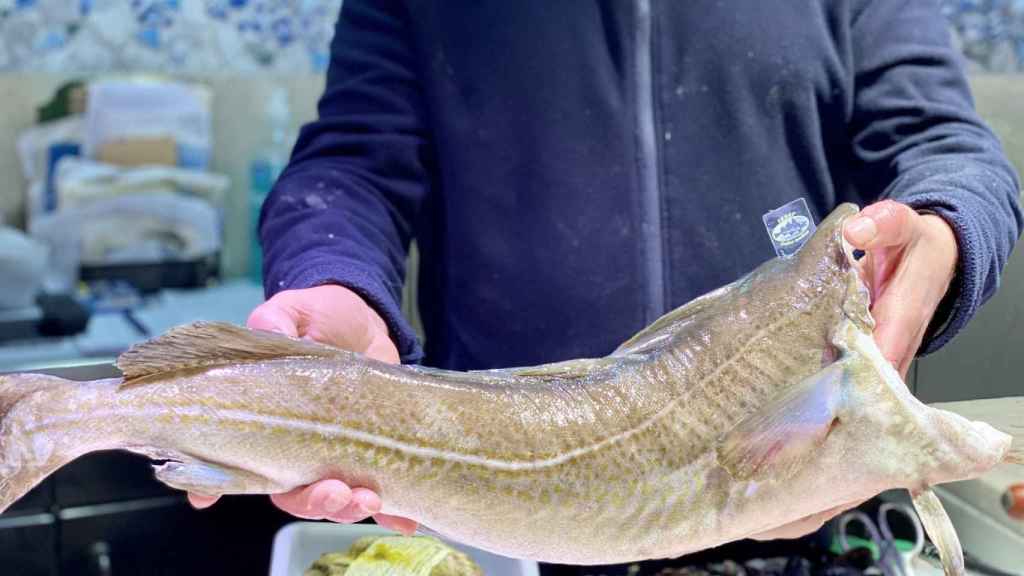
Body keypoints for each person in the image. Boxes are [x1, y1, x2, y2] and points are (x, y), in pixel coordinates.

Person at [193, 0, 1021, 557]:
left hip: (808, 513)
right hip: (500, 518)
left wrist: (945, 230)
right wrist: (335, 277)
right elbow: (351, 165)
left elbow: (952, 150)